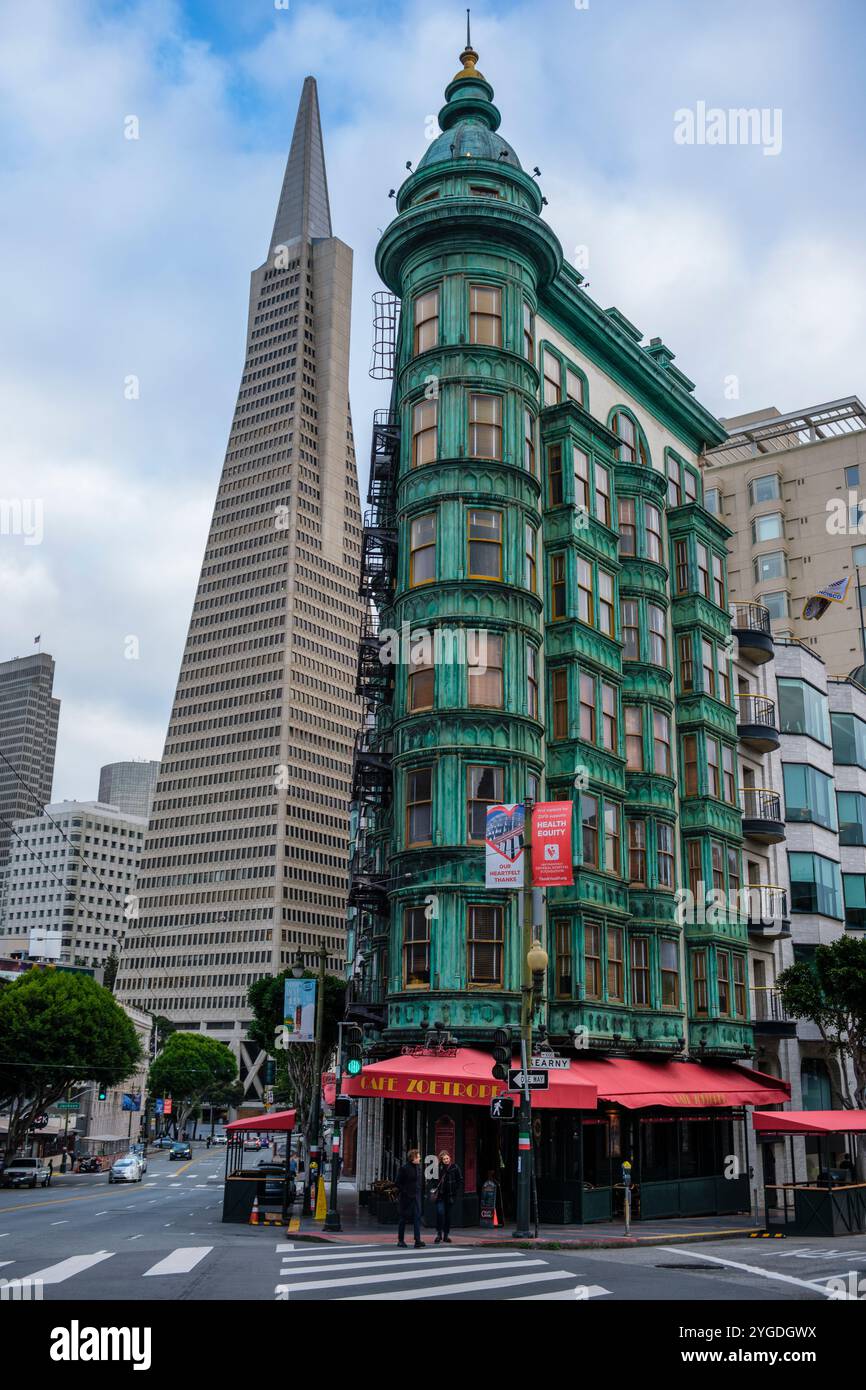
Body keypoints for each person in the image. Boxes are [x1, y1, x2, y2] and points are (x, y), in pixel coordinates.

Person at [395, 1148, 425, 1249]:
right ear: (413, 1157)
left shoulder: (418, 1167)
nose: (420, 1158)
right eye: (418, 1156)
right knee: (403, 1219)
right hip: (406, 1198)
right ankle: (400, 1240)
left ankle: (417, 1240)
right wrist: (405, 1192)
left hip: (416, 1197)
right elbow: (397, 1183)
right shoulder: (404, 1168)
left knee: (417, 1218)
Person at [433, 1150, 462, 1244]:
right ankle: (438, 1234)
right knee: (440, 1213)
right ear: (441, 1159)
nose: (446, 1160)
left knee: (448, 1216)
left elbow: (460, 1179)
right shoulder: (438, 1168)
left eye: (447, 1158)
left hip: (450, 1196)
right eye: (444, 1159)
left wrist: (455, 1189)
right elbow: (433, 1181)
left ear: (450, 1158)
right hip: (440, 1196)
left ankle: (446, 1235)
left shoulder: (455, 1167)